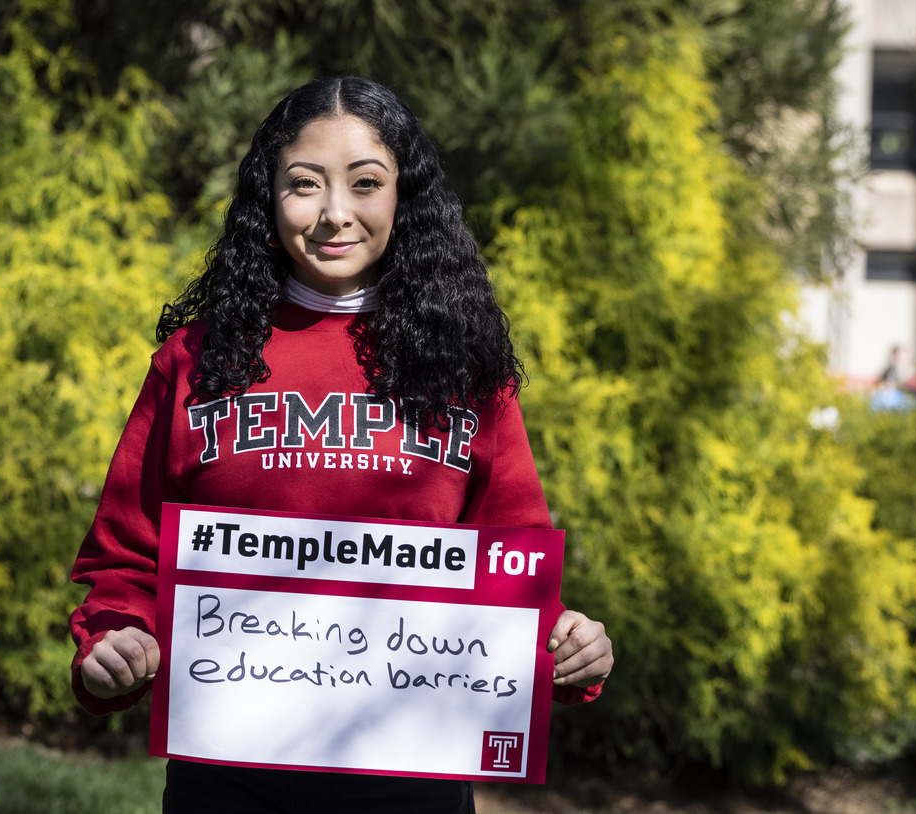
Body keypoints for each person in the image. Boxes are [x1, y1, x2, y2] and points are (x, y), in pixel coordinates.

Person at [69, 76, 614, 814]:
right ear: (267, 196)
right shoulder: (195, 361)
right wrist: (115, 640)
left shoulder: (465, 368)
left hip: (413, 780)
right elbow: (125, 555)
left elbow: (510, 564)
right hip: (228, 777)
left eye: (365, 183)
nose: (334, 214)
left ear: (404, 196)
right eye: (303, 184)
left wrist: (568, 649)